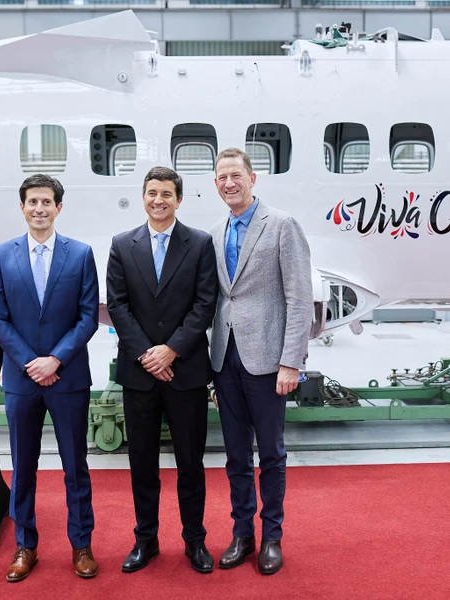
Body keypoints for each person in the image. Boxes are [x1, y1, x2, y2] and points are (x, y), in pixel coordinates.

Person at [0, 174, 99, 582]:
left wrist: (55, 360)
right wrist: (30, 362)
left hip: (68, 379)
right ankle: (25, 546)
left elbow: (88, 316)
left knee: (75, 467)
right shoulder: (2, 255)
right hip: (21, 381)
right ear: (22, 207)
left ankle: (81, 545)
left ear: (58, 207)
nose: (39, 208)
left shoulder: (80, 254)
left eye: (46, 202)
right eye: (32, 201)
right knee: (23, 468)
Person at [106, 166, 218, 574]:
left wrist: (171, 350)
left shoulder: (200, 243)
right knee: (142, 464)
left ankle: (195, 540)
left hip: (185, 371)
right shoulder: (122, 245)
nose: (159, 200)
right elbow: (117, 305)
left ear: (179, 200)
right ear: (143, 197)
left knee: (191, 463)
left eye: (167, 194)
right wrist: (146, 355)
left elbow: (205, 304)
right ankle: (145, 540)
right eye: (152, 193)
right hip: (139, 374)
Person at [210, 148, 313, 575]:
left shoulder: (282, 225)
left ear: (253, 179)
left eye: (236, 175)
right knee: (235, 456)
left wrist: (292, 361)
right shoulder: (215, 232)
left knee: (271, 454)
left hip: (269, 361)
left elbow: (299, 297)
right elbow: (221, 299)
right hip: (225, 359)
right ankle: (242, 534)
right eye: (222, 177)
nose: (229, 183)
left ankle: (272, 536)